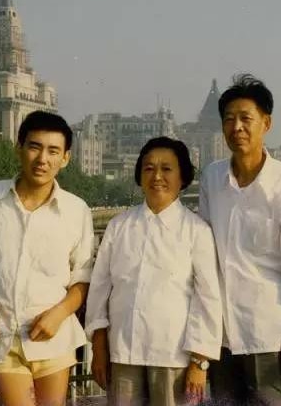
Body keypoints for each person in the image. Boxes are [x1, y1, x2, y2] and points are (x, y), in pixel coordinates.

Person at [0, 110, 94, 406]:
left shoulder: (76, 210)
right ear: (18, 148)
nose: (42, 159)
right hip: (1, 338)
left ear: (65, 158)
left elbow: (82, 278)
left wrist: (58, 315)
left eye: (53, 151)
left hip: (53, 338)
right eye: (34, 147)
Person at [198, 74, 281, 405]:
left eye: (246, 118)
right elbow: (204, 251)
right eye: (229, 119)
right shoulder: (212, 178)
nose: (237, 127)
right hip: (222, 335)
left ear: (266, 123)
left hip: (270, 332)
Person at [85, 136, 222, 406]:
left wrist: (199, 362)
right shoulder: (119, 226)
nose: (157, 176)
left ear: (182, 177)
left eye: (167, 168)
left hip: (175, 358)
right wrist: (99, 347)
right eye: (149, 168)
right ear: (139, 176)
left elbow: (208, 298)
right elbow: (100, 289)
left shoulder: (196, 231)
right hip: (123, 352)